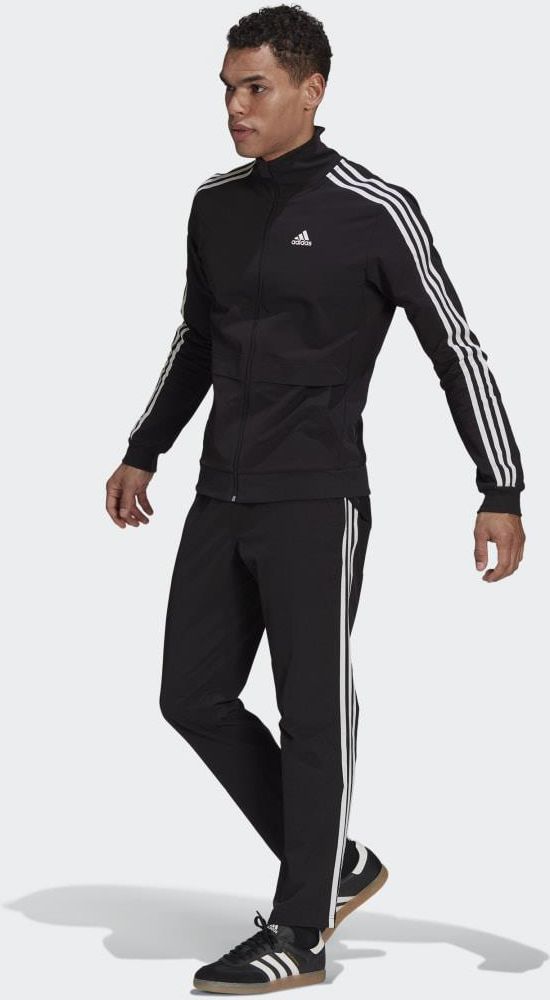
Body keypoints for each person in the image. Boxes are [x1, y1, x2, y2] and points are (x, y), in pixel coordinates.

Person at [105, 4, 526, 993]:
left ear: (311, 89)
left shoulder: (373, 208)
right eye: (226, 89)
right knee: (190, 696)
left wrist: (499, 485)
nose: (234, 107)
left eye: (254, 88)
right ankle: (335, 862)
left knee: (312, 713)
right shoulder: (214, 205)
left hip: (314, 497)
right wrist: (144, 448)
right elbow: (197, 339)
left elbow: (454, 346)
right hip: (221, 491)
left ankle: (301, 930)